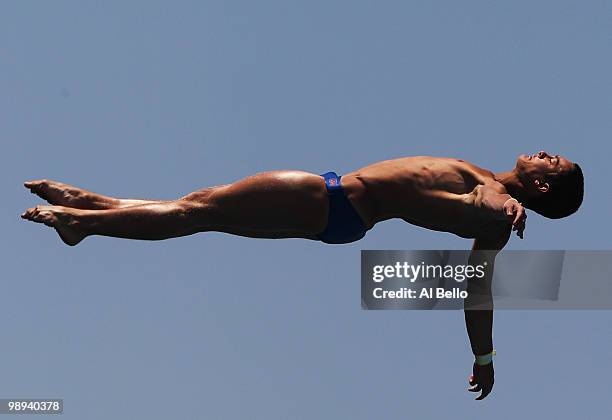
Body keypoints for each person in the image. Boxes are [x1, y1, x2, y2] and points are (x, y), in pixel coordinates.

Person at [21, 150, 584, 399]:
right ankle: (96, 206)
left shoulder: (493, 198)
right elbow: (477, 294)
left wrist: (506, 207)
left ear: (539, 189)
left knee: (198, 212)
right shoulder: (484, 182)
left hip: (331, 200)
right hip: (338, 213)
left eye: (552, 162)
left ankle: (82, 222)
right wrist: (484, 360)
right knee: (200, 206)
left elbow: (487, 203)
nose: (544, 152)